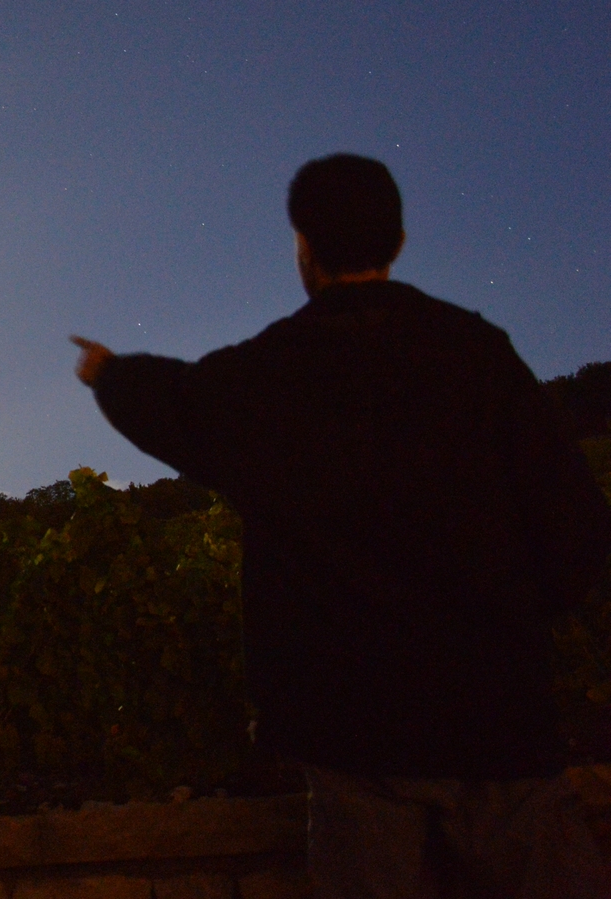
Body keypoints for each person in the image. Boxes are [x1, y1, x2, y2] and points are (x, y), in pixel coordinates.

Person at [72, 153, 611, 897]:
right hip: (500, 725)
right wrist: (509, 623)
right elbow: (574, 521)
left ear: (304, 246)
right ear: (398, 240)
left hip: (355, 740)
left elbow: (176, 403)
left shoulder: (267, 376)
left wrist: (107, 372)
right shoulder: (478, 355)